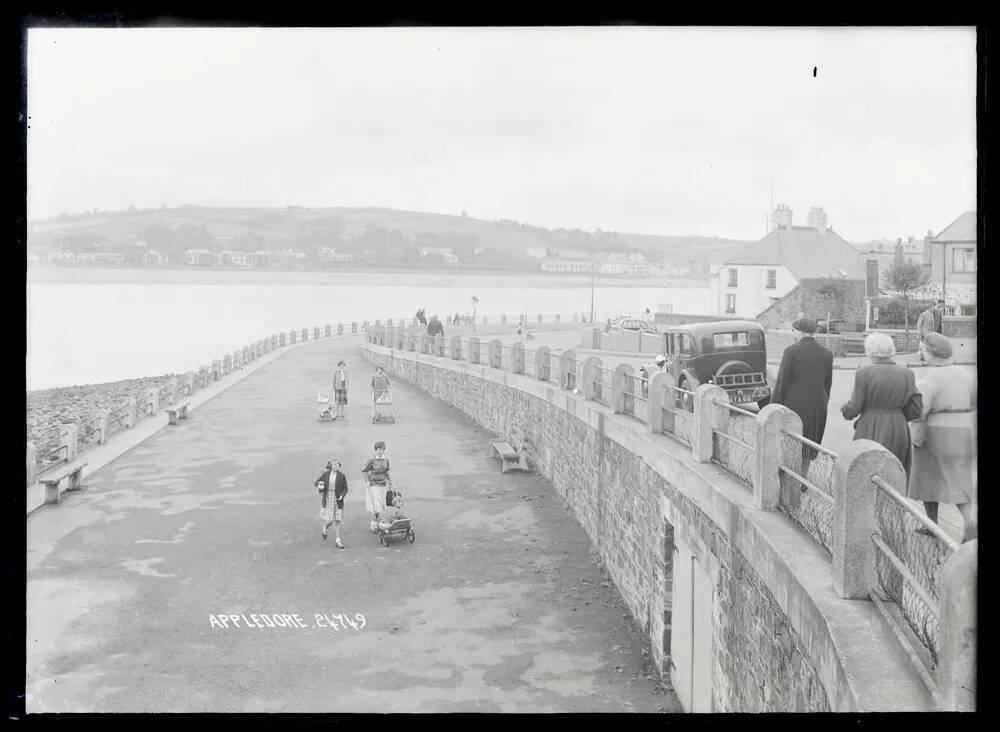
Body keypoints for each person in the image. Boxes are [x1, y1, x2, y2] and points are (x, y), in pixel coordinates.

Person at [908, 333, 977, 541]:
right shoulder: (965, 374)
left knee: (928, 479)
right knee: (959, 479)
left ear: (933, 353)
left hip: (935, 431)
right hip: (963, 429)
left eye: (923, 350)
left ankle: (933, 523)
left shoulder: (930, 378)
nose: (921, 353)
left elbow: (920, 410)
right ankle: (968, 523)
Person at [840, 332, 923, 482]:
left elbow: (855, 406)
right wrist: (900, 416)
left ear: (870, 351)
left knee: (866, 470)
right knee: (895, 473)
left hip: (870, 425)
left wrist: (846, 410)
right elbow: (916, 408)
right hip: (899, 427)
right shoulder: (907, 373)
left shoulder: (863, 373)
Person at [771, 318, 834, 465]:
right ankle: (803, 482)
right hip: (818, 405)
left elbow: (782, 383)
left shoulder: (791, 351)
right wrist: (823, 404)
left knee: (791, 442)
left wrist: (773, 407)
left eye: (793, 331)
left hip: (794, 404)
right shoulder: (827, 354)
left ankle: (790, 479)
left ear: (798, 332)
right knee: (809, 445)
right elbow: (827, 384)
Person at [315, 459, 348, 547]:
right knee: (330, 520)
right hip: (328, 498)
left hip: (338, 499)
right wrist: (320, 484)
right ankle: (324, 528)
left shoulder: (341, 475)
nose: (336, 466)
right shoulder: (325, 474)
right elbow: (316, 482)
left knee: (338, 520)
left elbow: (345, 488)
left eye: (337, 464)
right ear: (330, 465)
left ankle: (338, 540)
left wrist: (342, 495)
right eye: (334, 464)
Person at [362, 441, 392, 531]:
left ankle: (375, 522)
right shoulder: (371, 460)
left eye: (383, 449)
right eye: (381, 449)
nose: (382, 451)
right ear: (377, 449)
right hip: (373, 485)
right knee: (376, 505)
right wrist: (366, 481)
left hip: (383, 484)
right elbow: (364, 471)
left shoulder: (386, 460)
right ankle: (376, 522)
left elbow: (386, 471)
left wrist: (390, 480)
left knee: (381, 505)